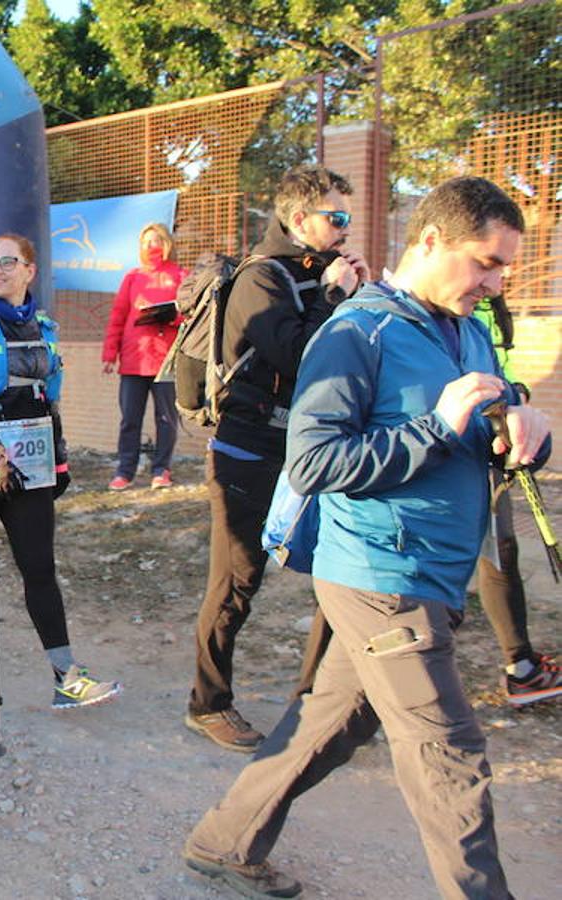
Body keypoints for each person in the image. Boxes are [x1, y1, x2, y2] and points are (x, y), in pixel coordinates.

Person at [184, 176, 549, 900]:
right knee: (450, 752)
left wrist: (516, 420)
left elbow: (490, 399)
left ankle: (223, 842)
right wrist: (437, 427)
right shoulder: (356, 332)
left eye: (505, 265)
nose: (496, 280)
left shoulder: (467, 327)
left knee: (335, 723)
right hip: (382, 573)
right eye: (485, 261)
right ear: (432, 241)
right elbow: (315, 461)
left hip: (435, 573)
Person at [186, 165, 368, 752]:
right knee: (238, 581)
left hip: (308, 450)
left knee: (335, 575)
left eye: (347, 217)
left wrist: (349, 296)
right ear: (297, 219)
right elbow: (299, 356)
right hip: (248, 451)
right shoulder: (261, 279)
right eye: (334, 217)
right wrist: (337, 296)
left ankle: (313, 703)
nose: (345, 227)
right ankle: (207, 704)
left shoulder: (313, 276)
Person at [0, 232, 121, 711]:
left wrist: (59, 458)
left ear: (29, 270)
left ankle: (65, 675)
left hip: (29, 464)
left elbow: (47, 401)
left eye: (7, 261)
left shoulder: (45, 326)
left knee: (39, 567)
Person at [472, 294, 560, 705]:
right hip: (472, 444)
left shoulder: (492, 303)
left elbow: (504, 365)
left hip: (500, 438)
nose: (496, 275)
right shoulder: (454, 303)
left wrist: (517, 394)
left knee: (500, 548)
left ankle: (521, 667)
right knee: (490, 550)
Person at [101, 223, 186, 489]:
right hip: (134, 359)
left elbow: (190, 315)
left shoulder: (181, 275)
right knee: (130, 419)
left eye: (156, 240)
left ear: (167, 242)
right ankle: (125, 470)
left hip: (166, 360)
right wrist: (109, 353)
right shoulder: (132, 277)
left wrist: (172, 317)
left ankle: (161, 469)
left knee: (167, 418)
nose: (151, 246)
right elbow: (118, 316)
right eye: (146, 242)